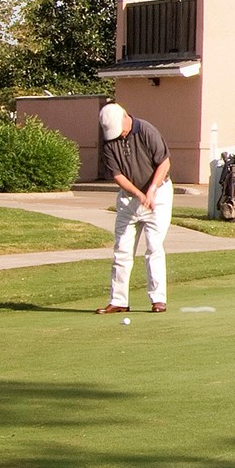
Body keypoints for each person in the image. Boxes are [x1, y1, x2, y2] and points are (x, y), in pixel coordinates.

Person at [97, 102, 171, 314]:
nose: (118, 136)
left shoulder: (146, 130)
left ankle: (158, 299)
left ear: (125, 118)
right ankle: (119, 301)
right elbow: (117, 175)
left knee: (154, 247)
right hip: (129, 200)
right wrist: (139, 194)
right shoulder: (109, 141)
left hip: (159, 194)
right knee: (121, 249)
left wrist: (152, 191)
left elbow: (164, 163)